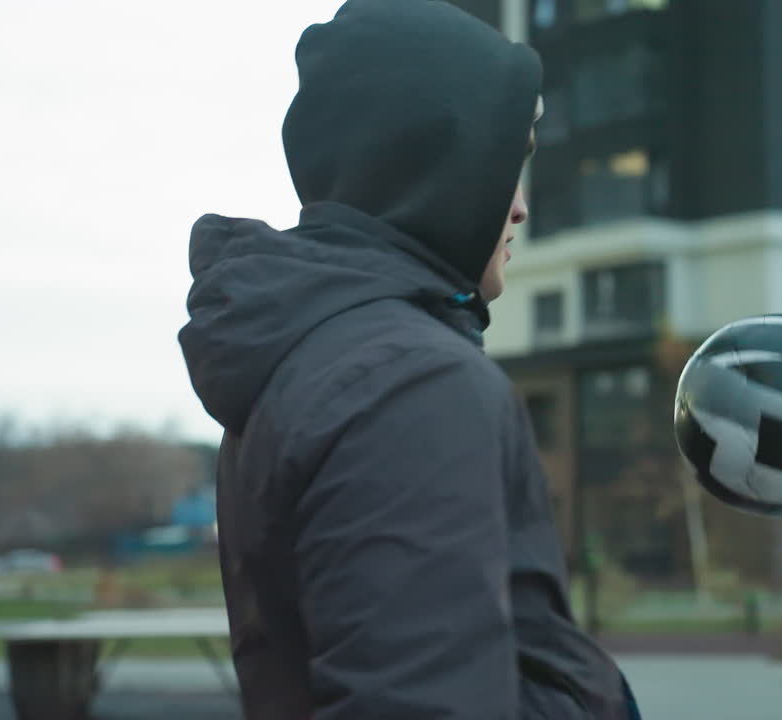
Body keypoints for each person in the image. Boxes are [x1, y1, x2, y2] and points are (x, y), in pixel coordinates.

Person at [178, 1, 641, 718]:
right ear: (438, 160)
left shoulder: (311, 354)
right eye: (509, 162)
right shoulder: (412, 384)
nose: (520, 207)